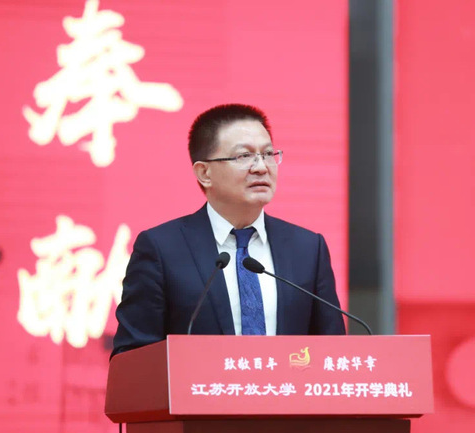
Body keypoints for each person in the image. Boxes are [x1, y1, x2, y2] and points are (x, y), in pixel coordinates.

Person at [111, 104, 345, 357]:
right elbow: (133, 356)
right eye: (244, 156)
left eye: (268, 154)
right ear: (204, 173)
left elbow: (333, 352)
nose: (261, 167)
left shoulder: (307, 249)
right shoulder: (162, 249)